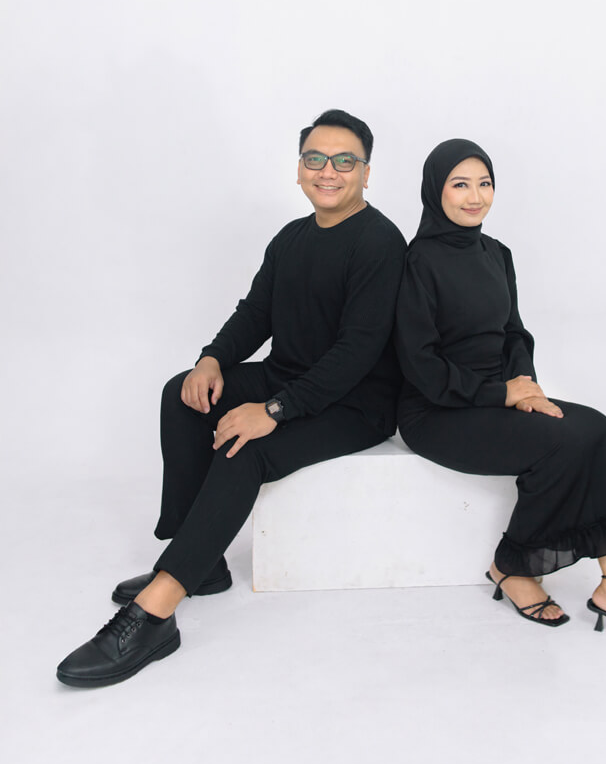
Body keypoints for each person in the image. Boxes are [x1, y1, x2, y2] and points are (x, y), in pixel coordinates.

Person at [57, 109, 406, 687]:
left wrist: (273, 411)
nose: (328, 171)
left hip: (355, 403)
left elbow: (356, 352)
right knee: (183, 395)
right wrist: (212, 360)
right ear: (299, 168)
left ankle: (156, 612)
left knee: (246, 448)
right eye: (315, 158)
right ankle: (200, 563)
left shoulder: (379, 243)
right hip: (289, 378)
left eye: (345, 161)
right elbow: (256, 313)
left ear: (366, 173)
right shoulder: (291, 238)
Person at [394, 138, 606, 653]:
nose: (475, 196)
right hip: (437, 411)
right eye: (460, 184)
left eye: (485, 183)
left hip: (499, 396)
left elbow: (514, 334)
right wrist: (500, 393)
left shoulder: (496, 254)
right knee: (563, 445)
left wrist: (524, 385)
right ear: (435, 191)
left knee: (596, 428)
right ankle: (512, 566)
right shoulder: (418, 262)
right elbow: (420, 365)